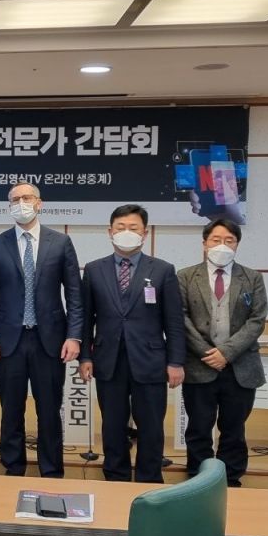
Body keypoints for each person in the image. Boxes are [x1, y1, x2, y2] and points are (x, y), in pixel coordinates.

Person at [0, 184, 83, 478]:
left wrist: (73, 336)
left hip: (49, 341)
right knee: (11, 410)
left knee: (49, 410)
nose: (21, 203)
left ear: (39, 203)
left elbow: (74, 294)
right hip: (7, 341)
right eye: (15, 199)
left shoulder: (61, 242)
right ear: (9, 206)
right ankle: (13, 468)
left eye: (27, 198)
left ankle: (51, 471)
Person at [80, 204, 185, 483]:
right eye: (121, 227)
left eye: (133, 228)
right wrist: (85, 357)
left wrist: (176, 361)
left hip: (150, 361)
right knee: (112, 425)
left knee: (151, 426)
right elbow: (85, 318)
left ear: (145, 233)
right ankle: (115, 477)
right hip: (108, 360)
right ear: (110, 232)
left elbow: (174, 321)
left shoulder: (163, 270)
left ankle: (149, 479)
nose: (126, 232)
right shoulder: (94, 269)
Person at [178, 219, 267, 487]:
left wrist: (226, 353)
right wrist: (208, 352)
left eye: (229, 241)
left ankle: (231, 478)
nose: (222, 245)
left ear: (237, 244)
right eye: (216, 240)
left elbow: (256, 320)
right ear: (205, 243)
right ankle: (199, 478)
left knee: (234, 428)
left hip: (240, 366)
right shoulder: (185, 276)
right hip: (200, 364)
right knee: (199, 426)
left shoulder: (252, 277)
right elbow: (180, 318)